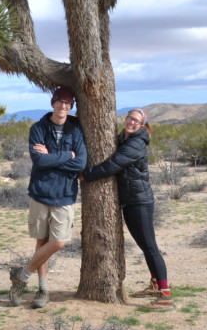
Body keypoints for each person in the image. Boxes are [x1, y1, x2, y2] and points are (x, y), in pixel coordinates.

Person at [81, 108, 172, 309]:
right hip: (131, 200)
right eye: (130, 118)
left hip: (139, 202)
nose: (132, 122)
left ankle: (165, 294)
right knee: (145, 246)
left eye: (136, 121)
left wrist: (87, 175)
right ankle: (155, 285)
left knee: (149, 246)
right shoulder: (123, 139)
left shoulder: (136, 143)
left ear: (142, 125)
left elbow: (114, 164)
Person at [9, 86, 87, 309]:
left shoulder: (76, 129)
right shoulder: (39, 128)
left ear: (71, 106)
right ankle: (43, 289)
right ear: (53, 103)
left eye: (67, 103)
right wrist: (66, 156)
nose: (63, 106)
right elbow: (39, 161)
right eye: (60, 102)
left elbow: (80, 163)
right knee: (41, 242)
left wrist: (53, 157)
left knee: (59, 242)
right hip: (41, 192)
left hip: (64, 193)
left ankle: (22, 275)